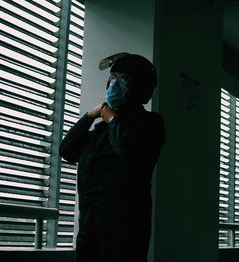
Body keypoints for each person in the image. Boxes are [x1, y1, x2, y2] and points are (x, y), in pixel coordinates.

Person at [59, 52, 165, 261]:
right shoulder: (100, 131)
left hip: (125, 234)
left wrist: (111, 118)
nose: (114, 83)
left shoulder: (150, 124)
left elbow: (128, 149)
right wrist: (89, 116)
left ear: (140, 87)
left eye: (123, 79)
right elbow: (67, 151)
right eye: (112, 77)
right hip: (89, 229)